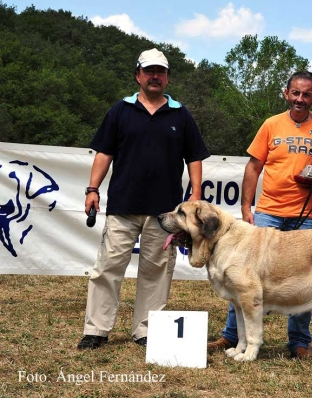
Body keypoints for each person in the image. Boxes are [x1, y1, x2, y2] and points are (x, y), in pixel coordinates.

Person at [207, 71, 312, 359]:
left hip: (308, 215)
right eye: (295, 93)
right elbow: (253, 167)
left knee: (303, 281)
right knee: (242, 279)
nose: (300, 99)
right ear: (286, 93)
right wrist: (247, 207)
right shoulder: (271, 125)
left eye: (306, 94)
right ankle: (231, 336)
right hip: (269, 213)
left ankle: (299, 342)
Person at [77, 48, 210, 350]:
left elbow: (195, 156)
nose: (154, 76)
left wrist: (197, 193)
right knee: (107, 268)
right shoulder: (120, 110)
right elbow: (104, 153)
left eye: (160, 72)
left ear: (167, 77)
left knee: (157, 272)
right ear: (137, 75)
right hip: (123, 206)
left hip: (165, 213)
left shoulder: (180, 113)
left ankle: (146, 331)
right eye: (149, 71)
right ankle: (96, 329)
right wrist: (92, 189)